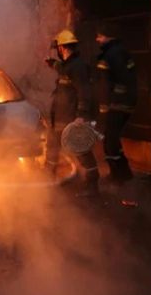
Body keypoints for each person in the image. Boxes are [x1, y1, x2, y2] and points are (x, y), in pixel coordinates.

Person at [46, 29, 98, 195]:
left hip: (71, 118)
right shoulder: (69, 65)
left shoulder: (78, 67)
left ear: (62, 48)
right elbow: (63, 69)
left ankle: (92, 185)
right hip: (60, 118)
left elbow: (84, 92)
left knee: (81, 150)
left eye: (58, 49)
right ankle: (48, 181)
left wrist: (81, 115)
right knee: (52, 148)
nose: (58, 52)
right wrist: (53, 64)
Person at [95, 26, 136, 184]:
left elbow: (106, 83)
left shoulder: (112, 54)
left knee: (110, 141)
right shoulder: (121, 51)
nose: (97, 39)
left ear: (108, 36)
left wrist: (105, 106)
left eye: (99, 36)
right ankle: (124, 174)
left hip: (116, 104)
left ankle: (119, 176)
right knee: (112, 140)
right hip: (124, 103)